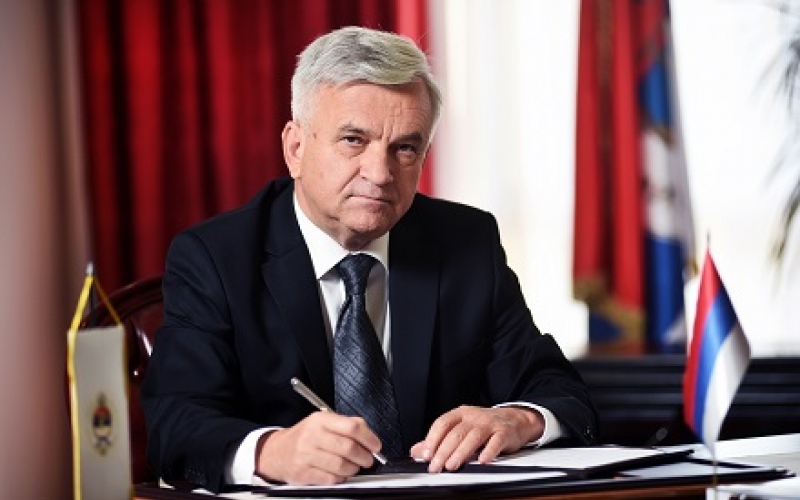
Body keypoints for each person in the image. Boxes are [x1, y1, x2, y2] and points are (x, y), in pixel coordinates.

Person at [141, 26, 597, 493]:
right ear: (295, 148)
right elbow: (176, 424)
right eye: (353, 140)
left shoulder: (466, 242)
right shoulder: (215, 258)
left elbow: (559, 390)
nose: (380, 174)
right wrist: (272, 452)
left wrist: (519, 419)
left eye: (405, 148)